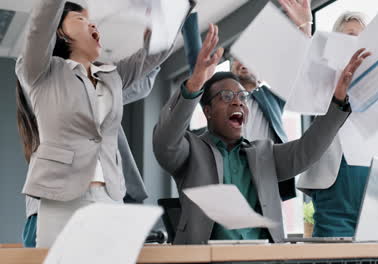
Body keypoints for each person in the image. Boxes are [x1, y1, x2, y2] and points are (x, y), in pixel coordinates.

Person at [153, 24, 370, 244]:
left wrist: (338, 102)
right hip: (207, 258)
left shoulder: (264, 153)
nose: (237, 101)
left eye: (241, 96)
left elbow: (307, 151)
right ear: (207, 111)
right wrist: (194, 84)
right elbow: (165, 143)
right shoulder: (191, 151)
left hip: (261, 256)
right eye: (227, 96)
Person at [15, 0, 192, 247]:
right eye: (81, 19)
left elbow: (153, 55)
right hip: (62, 197)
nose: (92, 24)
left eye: (92, 20)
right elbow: (39, 26)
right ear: (59, 31)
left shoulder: (111, 77)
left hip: (109, 197)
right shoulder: (41, 72)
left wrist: (181, 5)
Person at [279, 0, 378, 239]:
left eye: (363, 36)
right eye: (349, 37)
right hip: (335, 180)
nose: (357, 44)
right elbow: (308, 70)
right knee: (336, 254)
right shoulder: (327, 77)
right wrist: (305, 29)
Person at [19, 68, 160, 247]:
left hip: (88, 202)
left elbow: (142, 84)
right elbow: (141, 84)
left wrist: (154, 49)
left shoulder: (92, 86)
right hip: (58, 207)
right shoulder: (53, 84)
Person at [182, 13, 296, 200]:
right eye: (237, 59)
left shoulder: (272, 99)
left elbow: (294, 66)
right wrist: (187, 15)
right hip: (226, 177)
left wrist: (302, 25)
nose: (242, 62)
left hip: (266, 183)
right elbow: (197, 69)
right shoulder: (219, 98)